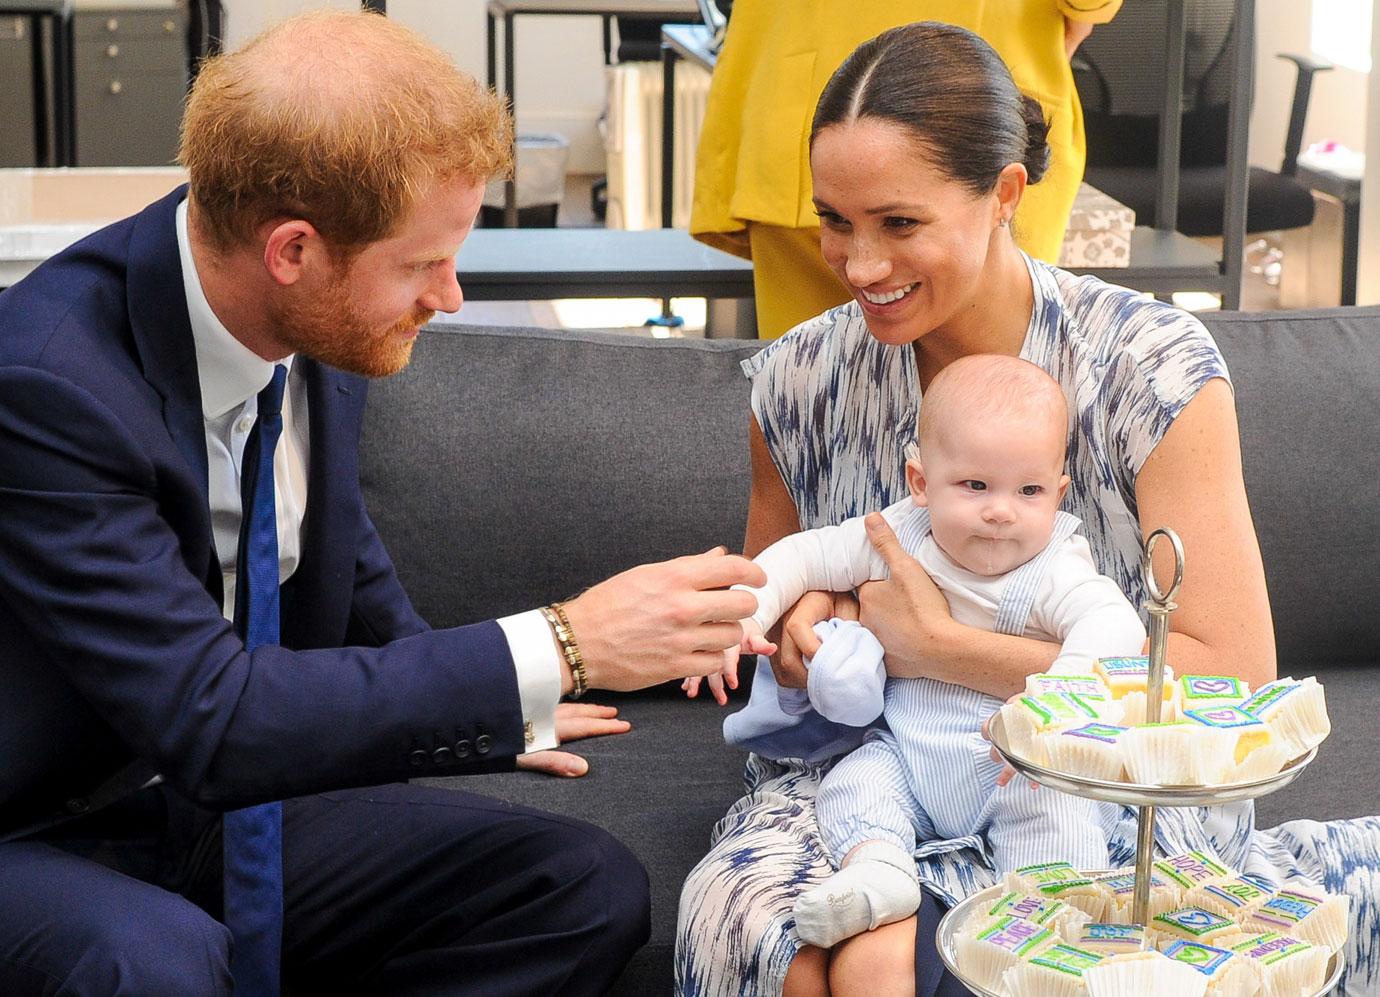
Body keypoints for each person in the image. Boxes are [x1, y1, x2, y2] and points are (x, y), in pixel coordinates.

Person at [0, 11, 764, 996]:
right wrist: (561, 644)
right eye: (421, 265)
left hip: (210, 804)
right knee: (155, 963)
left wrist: (497, 703)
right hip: (44, 824)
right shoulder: (49, 384)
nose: (448, 297)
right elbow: (213, 719)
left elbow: (331, 538)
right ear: (294, 251)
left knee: (576, 883)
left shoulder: (318, 329)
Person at [675, 20, 1380, 997]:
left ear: (1006, 192)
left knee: (949, 950)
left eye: (899, 222)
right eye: (835, 219)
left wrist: (941, 648)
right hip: (869, 770)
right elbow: (774, 608)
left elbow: (1228, 674)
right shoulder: (800, 381)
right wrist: (797, 636)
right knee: (784, 947)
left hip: (1105, 786)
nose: (859, 262)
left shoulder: (1150, 369)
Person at [688, 354, 1145, 949]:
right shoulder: (896, 534)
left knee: (1059, 811)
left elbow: (1114, 625)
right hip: (908, 753)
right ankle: (881, 871)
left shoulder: (1056, 565)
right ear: (921, 483)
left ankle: (1043, 920)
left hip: (1015, 765)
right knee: (855, 783)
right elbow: (803, 557)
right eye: (974, 485)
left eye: (1029, 490)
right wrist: (742, 616)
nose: (1001, 509)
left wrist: (1056, 707)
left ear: (1058, 493)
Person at [689, 0, 1122, 338]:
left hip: (795, 104)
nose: (865, 266)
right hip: (979, 118)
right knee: (991, 405)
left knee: (814, 402)